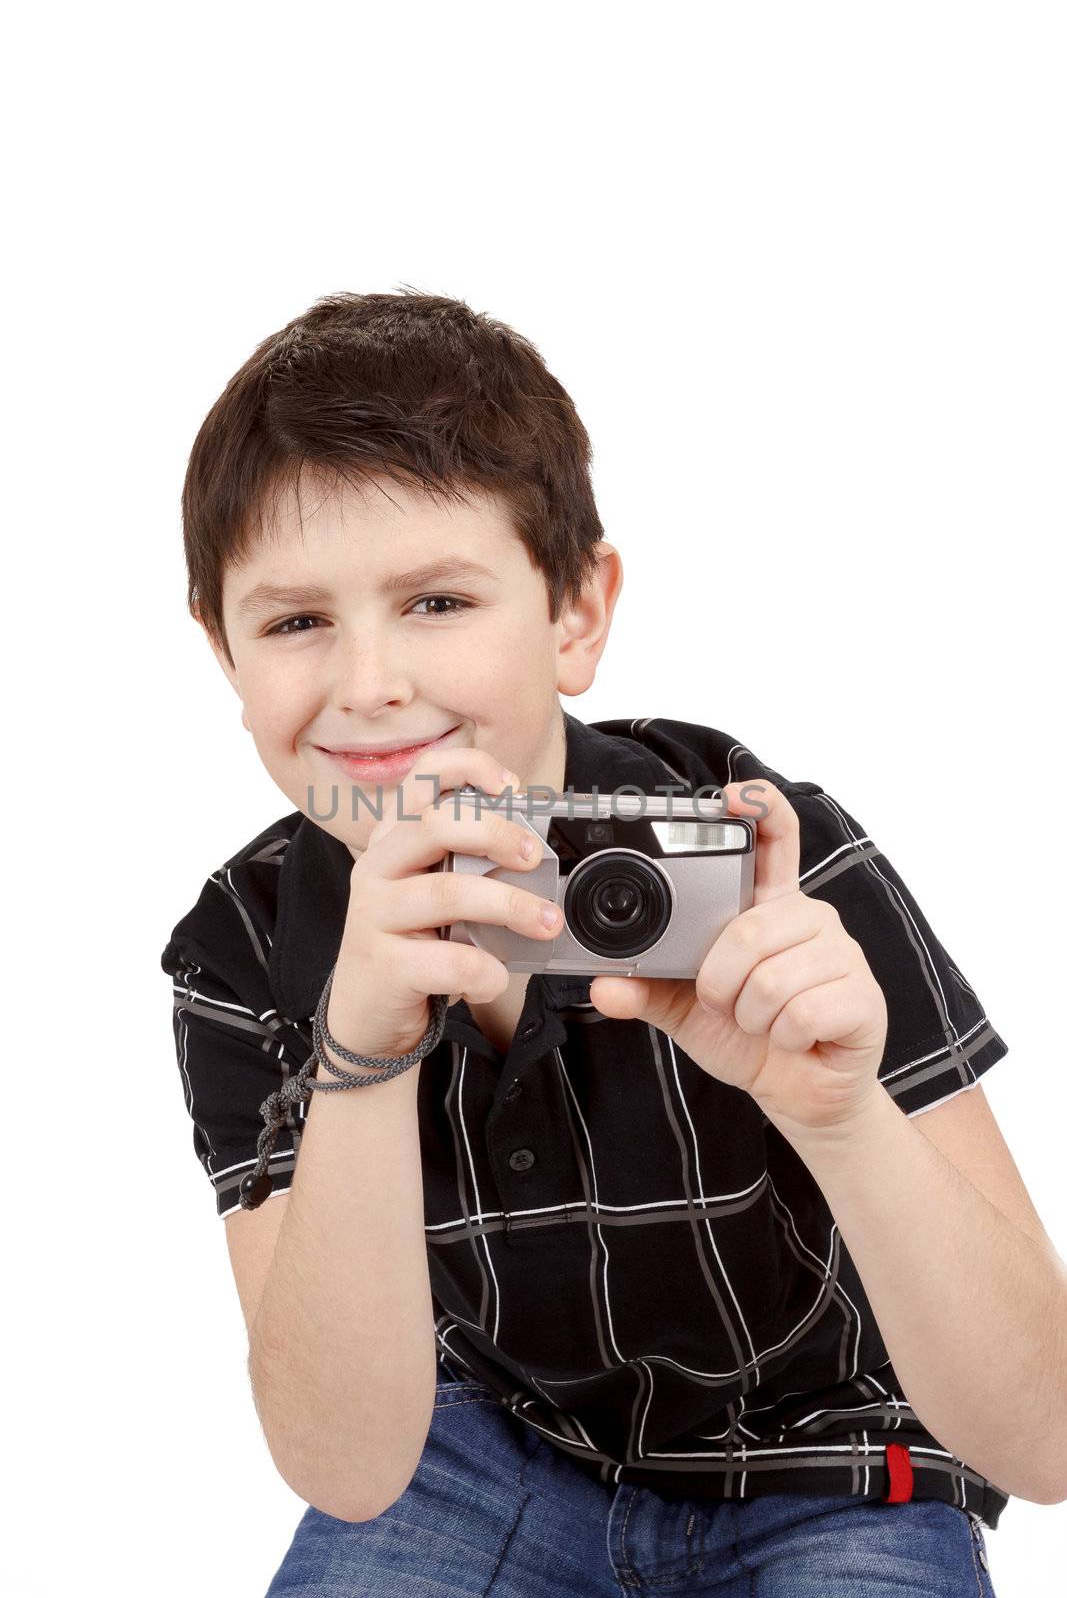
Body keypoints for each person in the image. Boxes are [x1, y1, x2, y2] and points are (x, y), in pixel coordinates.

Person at [161, 290, 1056, 1595]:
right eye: (297, 622)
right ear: (226, 655)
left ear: (576, 614)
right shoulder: (246, 943)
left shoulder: (762, 855)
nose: (365, 685)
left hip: (824, 1468)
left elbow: (1043, 1435)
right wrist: (358, 1065)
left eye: (436, 601)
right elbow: (347, 1466)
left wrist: (841, 1115)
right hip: (491, 1448)